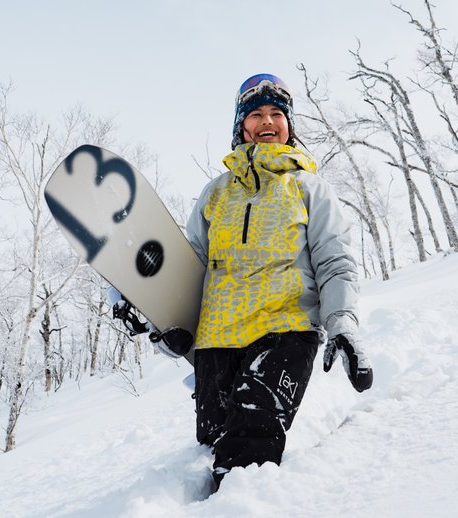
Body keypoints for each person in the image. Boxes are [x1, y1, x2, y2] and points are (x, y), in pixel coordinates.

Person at [160, 73, 373, 487]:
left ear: (290, 126)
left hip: (285, 329)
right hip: (216, 339)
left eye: (277, 113)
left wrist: (342, 323)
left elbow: (335, 261)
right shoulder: (216, 193)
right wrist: (166, 322)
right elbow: (193, 266)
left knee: (250, 443)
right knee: (213, 439)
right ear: (242, 126)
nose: (268, 121)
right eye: (256, 114)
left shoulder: (309, 188)